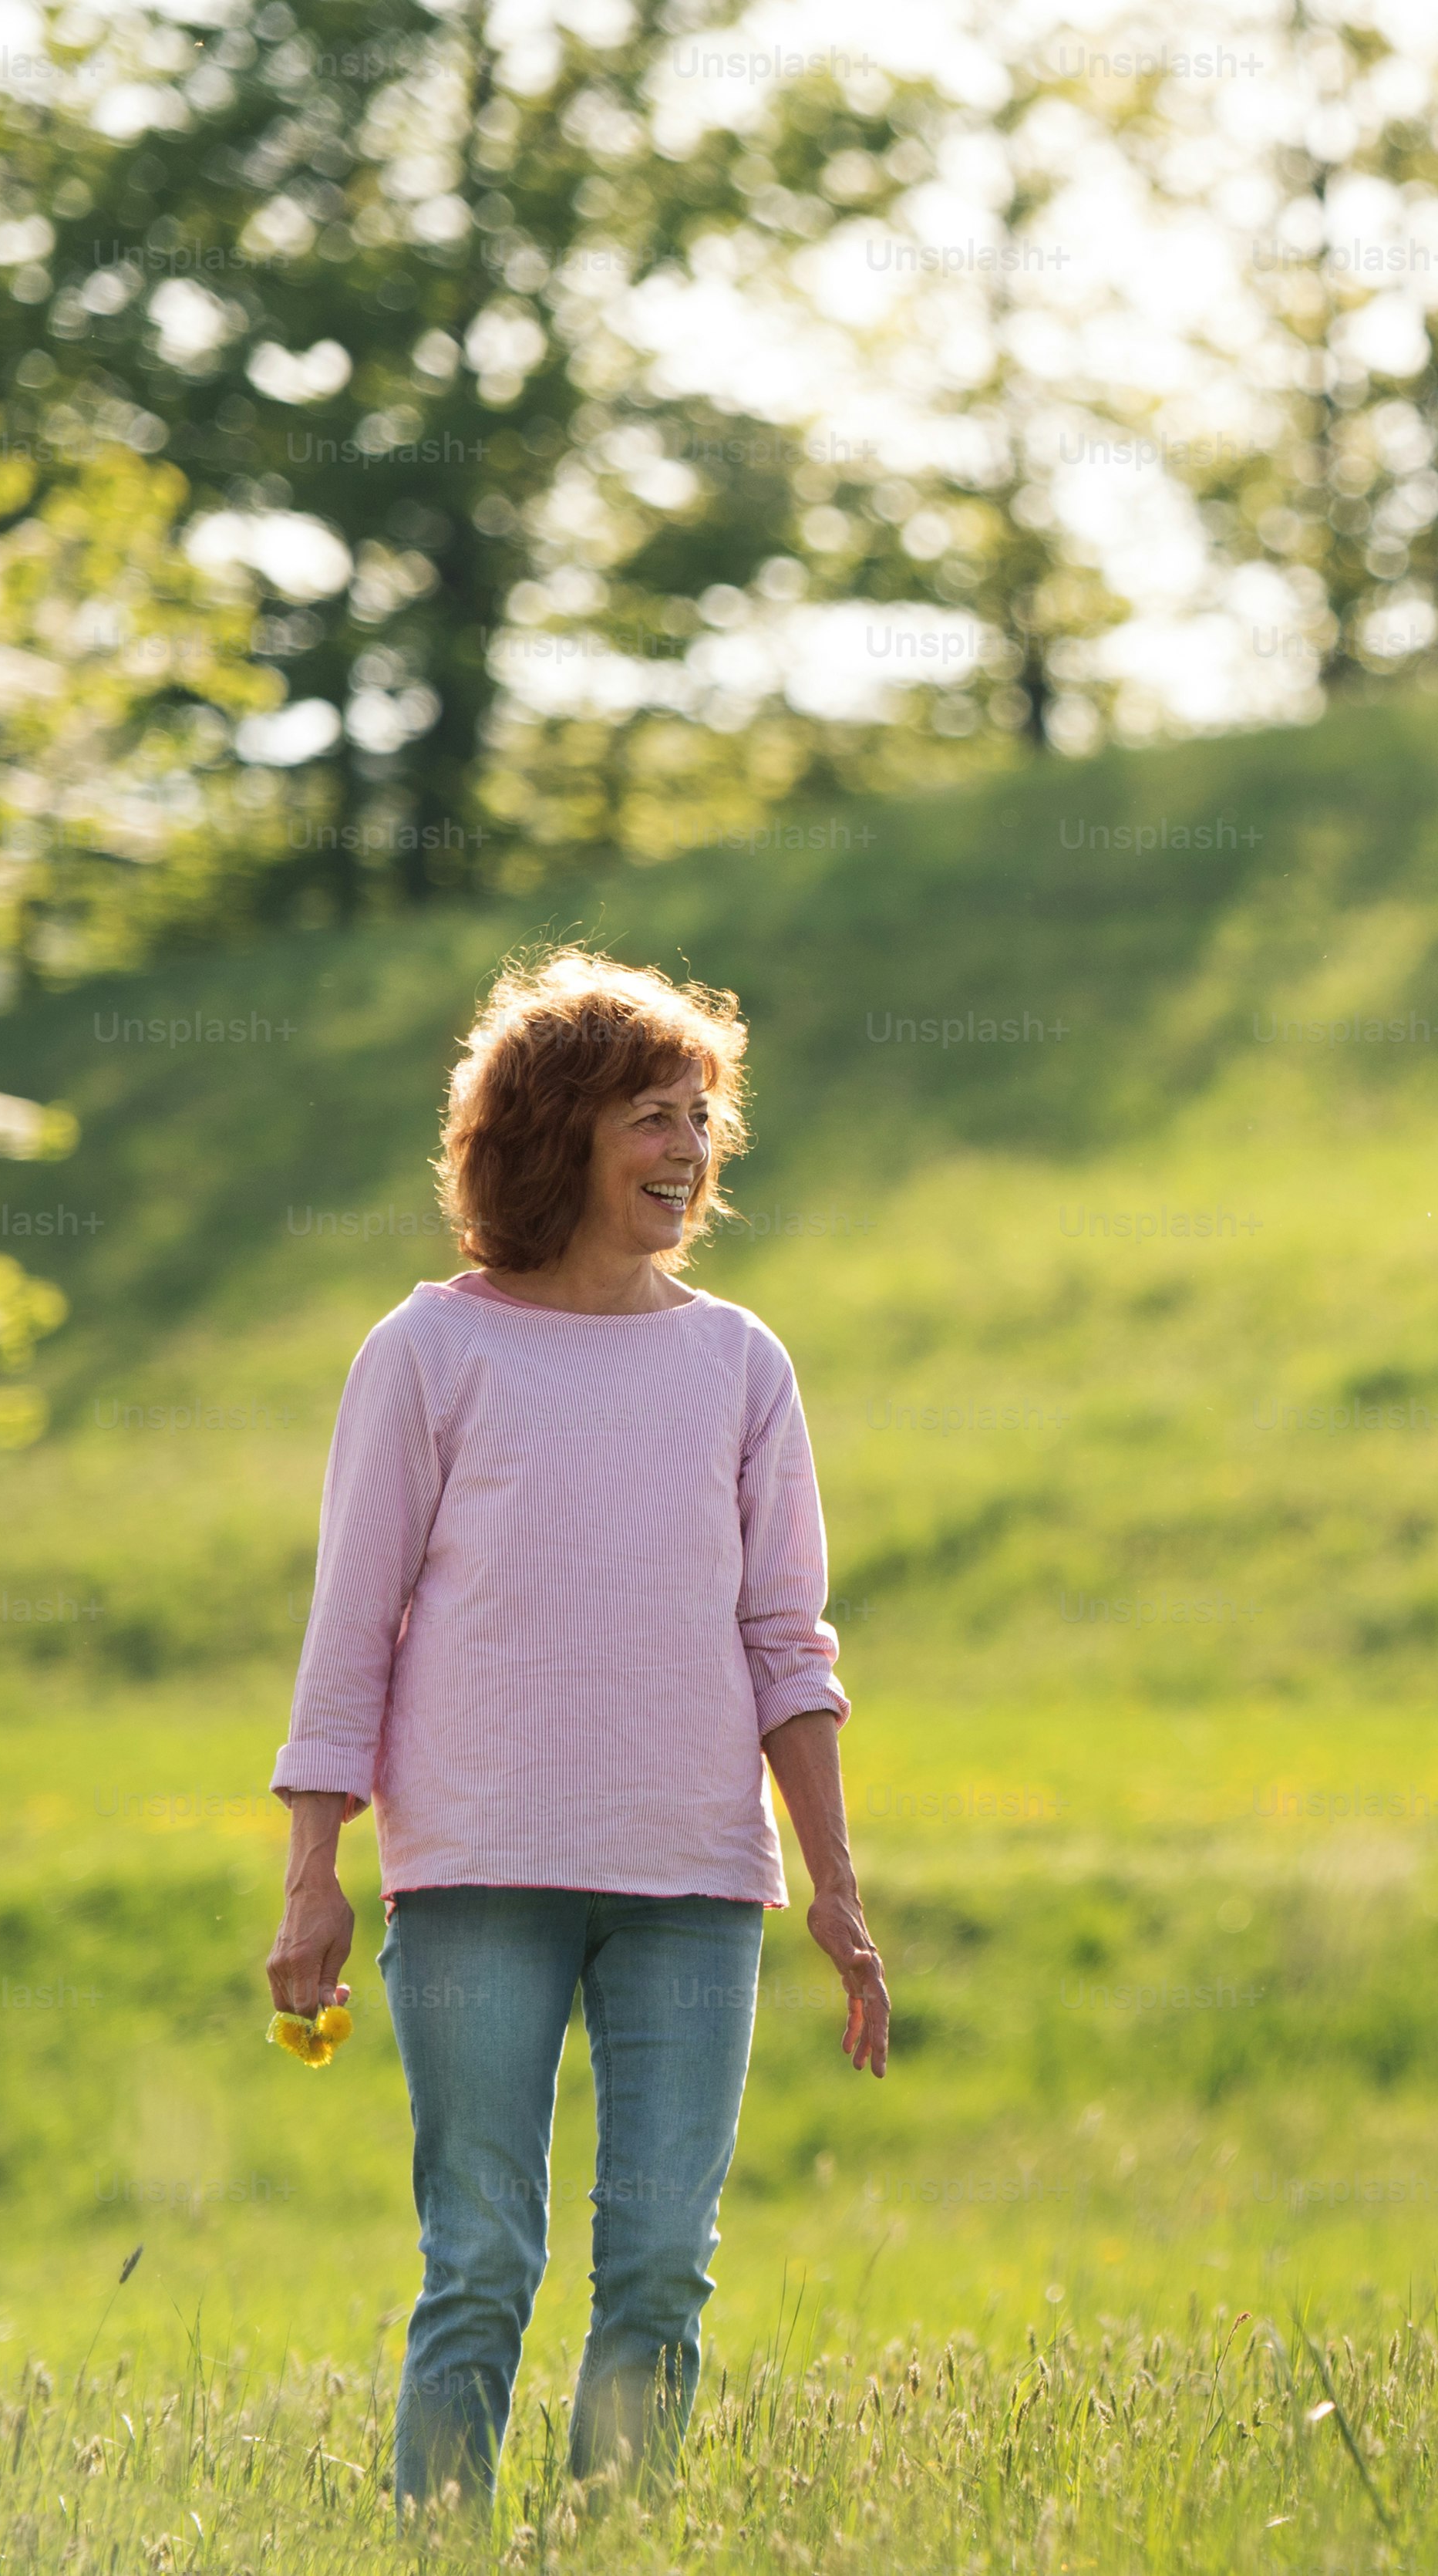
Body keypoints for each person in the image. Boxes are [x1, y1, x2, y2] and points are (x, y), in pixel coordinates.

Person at [258, 948, 890, 2511]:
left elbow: (785, 1643)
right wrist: (311, 1869)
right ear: (552, 1132)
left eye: (699, 1118)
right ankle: (440, 2547)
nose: (685, 1151)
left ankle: (611, 2543)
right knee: (480, 2261)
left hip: (694, 1877)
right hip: (479, 1869)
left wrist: (837, 1884)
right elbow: (352, 1624)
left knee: (664, 2267)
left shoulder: (742, 1363)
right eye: (648, 1117)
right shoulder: (430, 1349)